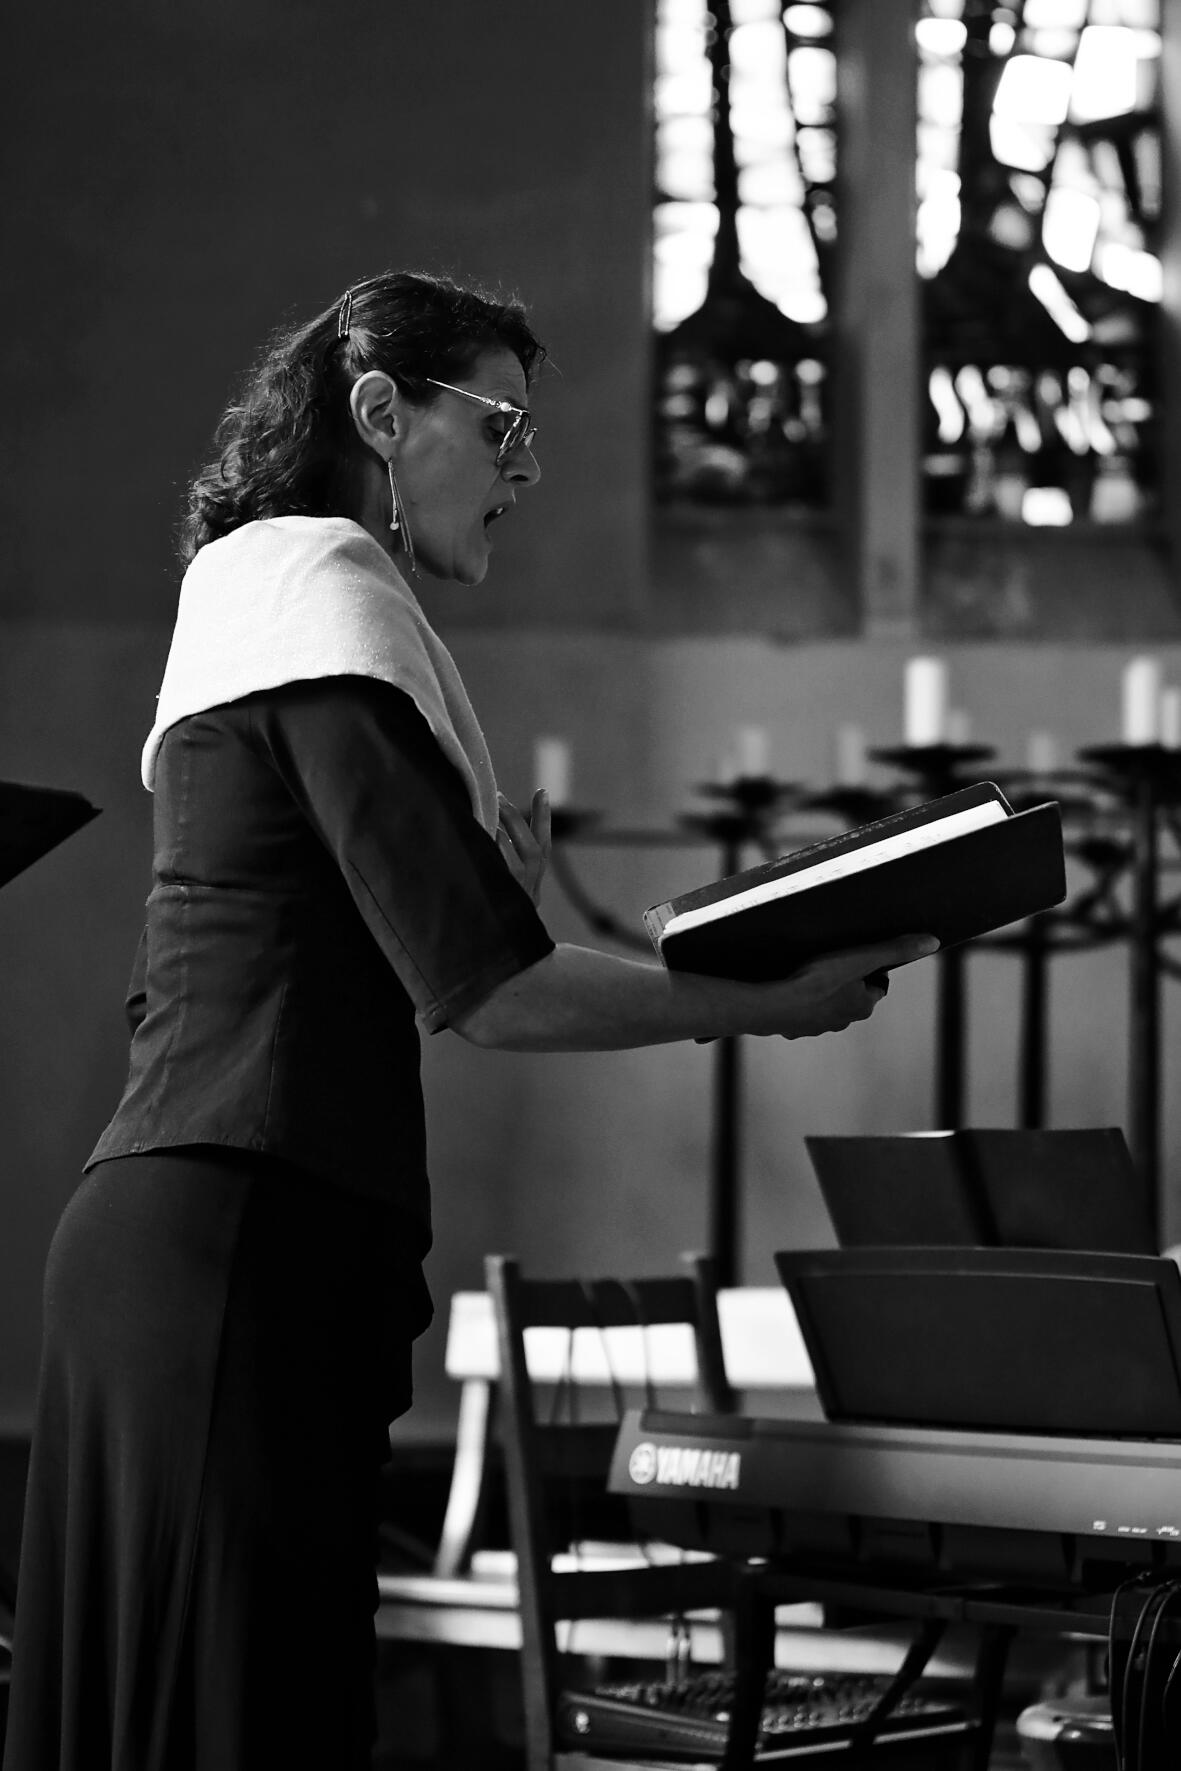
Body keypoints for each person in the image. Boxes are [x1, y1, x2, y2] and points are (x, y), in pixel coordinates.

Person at [3, 268, 935, 1771]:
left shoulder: (261, 601)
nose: (527, 466)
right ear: (380, 412)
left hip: (191, 1235)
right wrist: (764, 999)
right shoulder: (320, 596)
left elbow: (316, 962)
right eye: (499, 423)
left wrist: (486, 907)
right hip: (238, 1249)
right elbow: (492, 993)